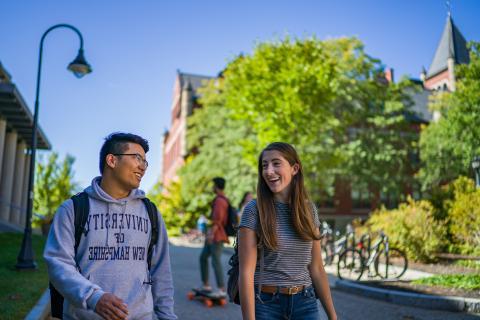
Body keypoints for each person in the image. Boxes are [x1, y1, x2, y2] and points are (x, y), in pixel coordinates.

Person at [44, 132, 177, 320]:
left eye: (145, 162)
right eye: (137, 158)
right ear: (112, 160)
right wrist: (93, 297)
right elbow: (58, 263)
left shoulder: (151, 212)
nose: (143, 166)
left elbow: (161, 273)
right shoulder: (73, 209)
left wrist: (167, 316)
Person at [238, 142, 337, 320]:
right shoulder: (254, 210)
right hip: (267, 304)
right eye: (264, 165)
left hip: (306, 302)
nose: (269, 171)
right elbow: (246, 274)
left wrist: (332, 316)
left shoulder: (309, 210)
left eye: (276, 163)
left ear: (294, 168)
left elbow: (316, 267)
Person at [198, 177, 230, 297]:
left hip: (216, 236)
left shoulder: (220, 201)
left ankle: (222, 289)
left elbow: (218, 220)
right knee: (203, 258)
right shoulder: (220, 200)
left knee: (215, 261)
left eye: (213, 185)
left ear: (216, 186)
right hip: (214, 235)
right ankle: (206, 285)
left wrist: (211, 234)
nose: (212, 188)